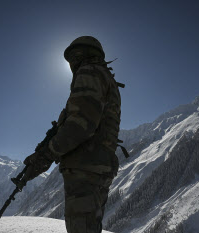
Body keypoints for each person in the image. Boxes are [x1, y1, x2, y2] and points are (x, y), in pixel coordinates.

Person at [24, 36, 124, 233]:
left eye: (72, 58)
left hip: (85, 169)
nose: (71, 64)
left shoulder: (89, 72)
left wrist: (46, 154)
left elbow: (80, 125)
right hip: (98, 166)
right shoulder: (105, 77)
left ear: (80, 55)